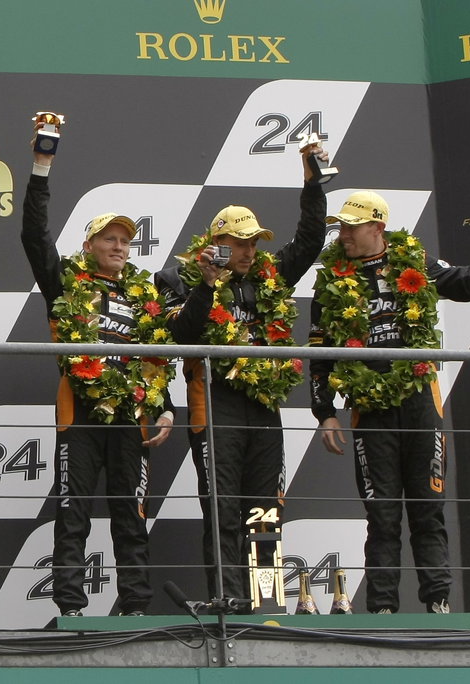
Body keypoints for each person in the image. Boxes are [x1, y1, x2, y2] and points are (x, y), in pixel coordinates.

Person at [309, 189, 470, 614]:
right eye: (341, 226)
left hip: (420, 402)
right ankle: (382, 608)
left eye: (351, 226)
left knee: (427, 509)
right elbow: (321, 352)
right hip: (369, 408)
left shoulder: (415, 263)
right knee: (381, 515)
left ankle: (438, 603)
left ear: (377, 227)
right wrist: (325, 414)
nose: (343, 234)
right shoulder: (331, 278)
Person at [157, 143, 328, 606]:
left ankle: (265, 601)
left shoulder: (270, 275)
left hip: (263, 403)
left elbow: (311, 241)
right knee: (222, 507)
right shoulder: (176, 279)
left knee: (264, 511)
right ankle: (229, 601)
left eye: (255, 242)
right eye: (241, 243)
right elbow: (182, 335)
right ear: (216, 244)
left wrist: (313, 184)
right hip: (213, 400)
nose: (251, 251)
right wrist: (207, 284)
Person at [22, 140, 175, 616]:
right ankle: (69, 607)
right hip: (81, 413)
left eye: (125, 240)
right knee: (73, 514)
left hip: (131, 415)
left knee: (131, 516)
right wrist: (41, 169)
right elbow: (34, 238)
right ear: (88, 246)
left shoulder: (144, 294)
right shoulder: (67, 283)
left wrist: (164, 403)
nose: (119, 246)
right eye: (109, 238)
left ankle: (135, 605)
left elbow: (153, 355)